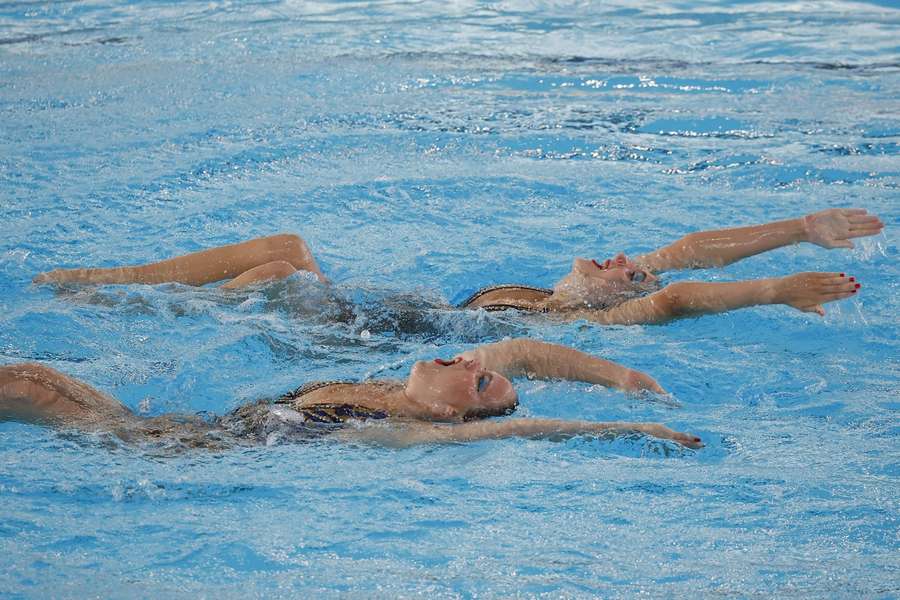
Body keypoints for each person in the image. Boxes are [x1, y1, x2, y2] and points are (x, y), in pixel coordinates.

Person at [34, 208, 882, 324]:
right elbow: (688, 254)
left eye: (630, 268)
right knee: (283, 248)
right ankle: (97, 283)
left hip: (364, 340)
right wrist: (801, 227)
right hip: (379, 310)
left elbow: (681, 293)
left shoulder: (592, 313)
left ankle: (116, 309)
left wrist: (774, 289)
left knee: (282, 269)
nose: (629, 259)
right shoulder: (571, 287)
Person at [0, 338, 702, 449]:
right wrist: (624, 378)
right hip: (200, 425)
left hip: (186, 452)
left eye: (477, 377)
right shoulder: (387, 385)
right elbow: (519, 351)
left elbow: (522, 428)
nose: (469, 359)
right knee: (35, 373)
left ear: (452, 410)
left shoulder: (410, 429)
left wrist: (637, 431)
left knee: (28, 390)